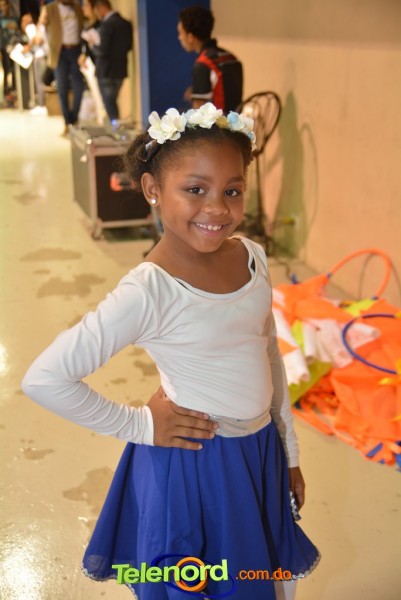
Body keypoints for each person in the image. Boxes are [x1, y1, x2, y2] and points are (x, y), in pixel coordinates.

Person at [21, 102, 320, 600]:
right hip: (196, 467)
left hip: (259, 453)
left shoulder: (253, 256)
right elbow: (44, 378)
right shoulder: (149, 291)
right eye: (195, 190)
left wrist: (288, 454)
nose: (217, 208)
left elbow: (267, 352)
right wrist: (139, 425)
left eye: (232, 191)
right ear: (152, 189)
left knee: (257, 576)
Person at [178, 5, 243, 113]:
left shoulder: (202, 65)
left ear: (190, 37)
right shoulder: (231, 57)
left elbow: (199, 111)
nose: (179, 38)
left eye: (180, 33)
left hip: (219, 123)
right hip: (237, 120)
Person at [39, 0, 85, 135]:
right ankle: (67, 122)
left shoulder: (77, 8)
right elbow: (42, 27)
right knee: (62, 88)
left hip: (76, 50)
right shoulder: (50, 8)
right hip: (59, 52)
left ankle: (74, 119)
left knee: (79, 87)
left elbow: (84, 25)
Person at [90, 0, 132, 122]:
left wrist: (93, 46)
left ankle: (115, 127)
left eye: (97, 10)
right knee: (112, 101)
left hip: (106, 70)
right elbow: (129, 46)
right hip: (120, 69)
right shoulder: (126, 23)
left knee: (109, 103)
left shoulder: (106, 25)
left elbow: (102, 49)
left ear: (101, 8)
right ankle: (115, 125)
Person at [0, 0, 18, 105]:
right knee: (7, 70)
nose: (2, 7)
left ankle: (15, 91)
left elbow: (17, 31)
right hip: (3, 48)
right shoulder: (0, 18)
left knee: (15, 70)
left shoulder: (13, 17)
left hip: (14, 47)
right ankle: (6, 94)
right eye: (1, 5)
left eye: (4, 5)